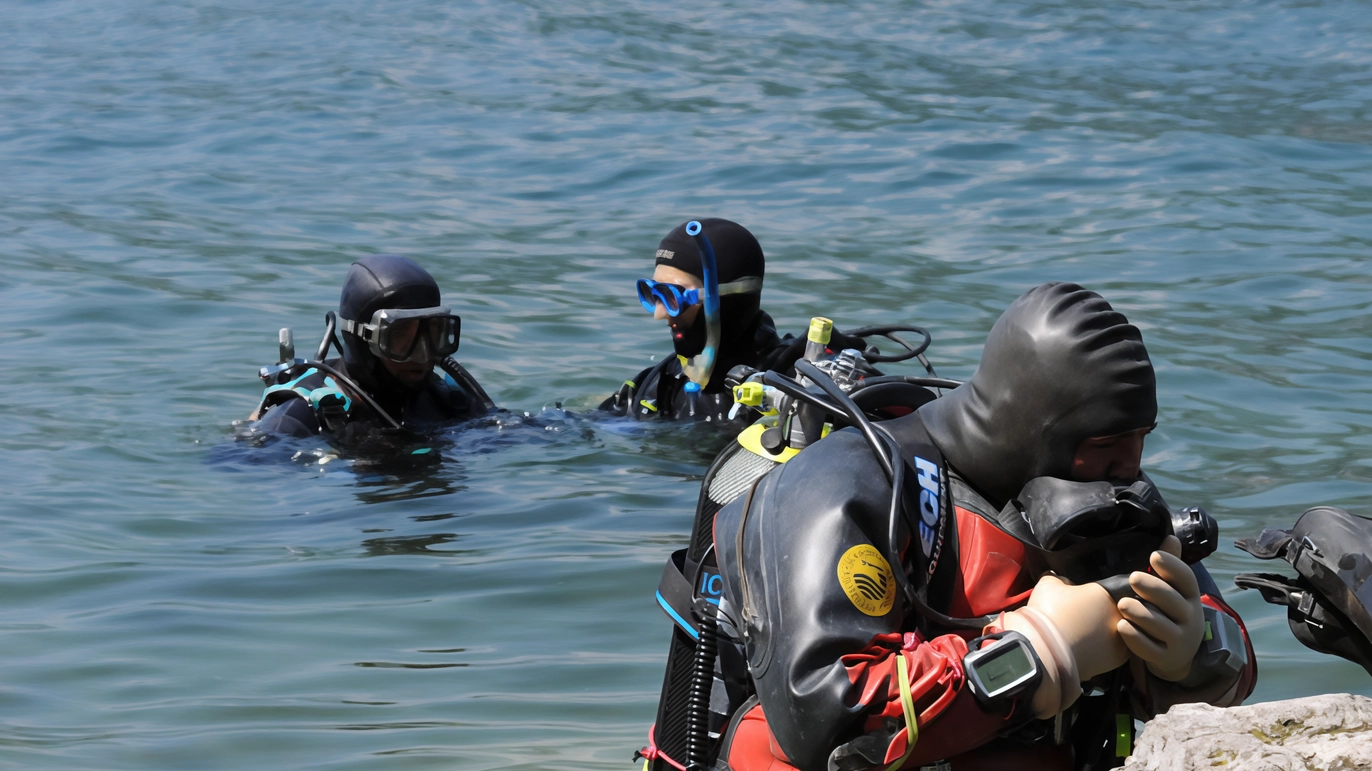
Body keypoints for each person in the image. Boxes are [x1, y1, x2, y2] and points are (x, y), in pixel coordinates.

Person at [640, 282, 1256, 771]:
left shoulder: (1103, 489)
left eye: (1140, 441)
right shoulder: (846, 486)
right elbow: (822, 718)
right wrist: (1040, 652)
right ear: (1033, 428)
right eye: (1107, 445)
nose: (1132, 469)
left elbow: (1236, 663)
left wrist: (1194, 651)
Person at [599, 218, 869, 424]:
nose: (659, 313)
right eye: (652, 293)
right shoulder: (660, 383)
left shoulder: (798, 382)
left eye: (673, 296)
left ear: (728, 301)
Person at [250, 255, 495, 440]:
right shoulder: (301, 416)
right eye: (400, 336)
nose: (422, 353)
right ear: (363, 339)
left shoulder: (448, 401)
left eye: (432, 333)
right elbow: (244, 466)